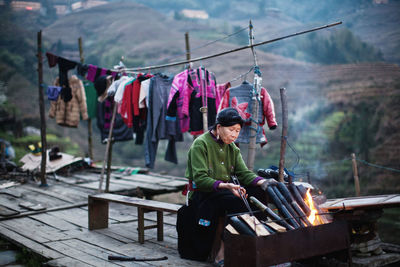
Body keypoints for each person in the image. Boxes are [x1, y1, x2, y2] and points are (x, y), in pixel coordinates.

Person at [180, 107, 276, 267]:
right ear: (218, 127)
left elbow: (244, 173)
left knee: (257, 194)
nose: (234, 135)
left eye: (238, 131)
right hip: (204, 193)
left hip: (224, 191)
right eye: (231, 130)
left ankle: (257, 244)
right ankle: (222, 253)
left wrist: (263, 182)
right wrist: (226, 186)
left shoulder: (232, 148)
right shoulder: (201, 144)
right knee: (236, 201)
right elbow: (201, 179)